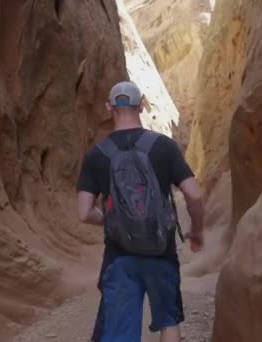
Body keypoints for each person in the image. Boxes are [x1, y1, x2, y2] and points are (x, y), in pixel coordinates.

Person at [77, 80, 205, 342]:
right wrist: (197, 229)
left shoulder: (96, 154)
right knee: (168, 319)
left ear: (108, 107)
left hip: (119, 255)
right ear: (142, 106)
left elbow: (84, 212)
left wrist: (111, 220)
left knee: (119, 331)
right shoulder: (164, 146)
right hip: (161, 250)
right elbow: (194, 194)